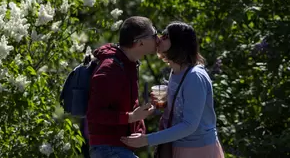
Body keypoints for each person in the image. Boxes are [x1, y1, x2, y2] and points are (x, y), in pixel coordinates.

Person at [120, 22, 225, 158]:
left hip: (199, 149)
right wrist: (165, 103)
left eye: (166, 36)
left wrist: (147, 139)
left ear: (178, 42)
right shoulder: (175, 71)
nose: (158, 38)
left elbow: (189, 125)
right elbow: (182, 110)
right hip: (177, 146)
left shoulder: (194, 76)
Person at [86, 16, 158, 158]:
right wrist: (130, 117)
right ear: (140, 42)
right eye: (154, 34)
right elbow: (93, 114)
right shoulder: (110, 69)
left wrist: (139, 124)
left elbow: (125, 107)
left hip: (119, 148)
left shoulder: (129, 64)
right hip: (107, 149)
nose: (158, 39)